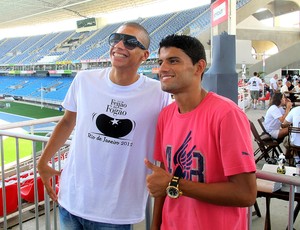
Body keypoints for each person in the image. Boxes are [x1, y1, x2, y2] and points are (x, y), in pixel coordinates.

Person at [37, 22, 171, 230]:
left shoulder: (159, 93)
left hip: (116, 212)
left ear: (145, 55)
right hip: (71, 201)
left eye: (130, 42)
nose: (119, 45)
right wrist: (43, 162)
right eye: (115, 39)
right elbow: (66, 122)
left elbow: (170, 140)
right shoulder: (84, 80)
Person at [144, 34, 257, 230]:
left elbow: (245, 194)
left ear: (199, 67)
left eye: (173, 61)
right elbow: (163, 180)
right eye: (161, 61)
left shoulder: (226, 114)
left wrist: (175, 184)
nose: (162, 69)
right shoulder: (165, 115)